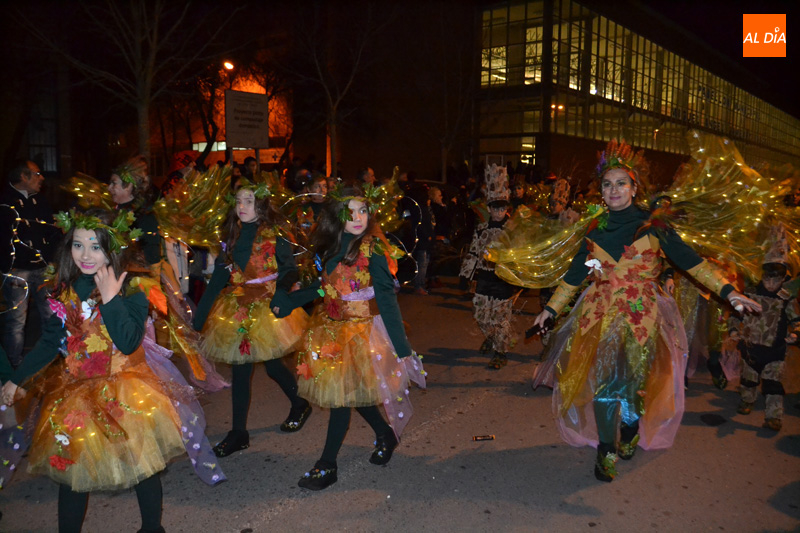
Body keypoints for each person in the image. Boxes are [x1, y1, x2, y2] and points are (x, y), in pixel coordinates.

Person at [530, 140, 761, 482]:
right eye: (607, 184)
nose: (614, 190)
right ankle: (606, 449)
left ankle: (631, 426)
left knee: (633, 386)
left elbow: (690, 262)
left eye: (621, 183)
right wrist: (549, 309)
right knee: (606, 385)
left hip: (641, 317)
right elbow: (576, 275)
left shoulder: (654, 226)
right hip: (600, 316)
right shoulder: (594, 228)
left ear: (634, 187)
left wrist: (730, 293)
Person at [1, 208, 223, 533]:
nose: (86, 255)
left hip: (125, 389)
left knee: (140, 464)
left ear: (112, 248)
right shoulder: (64, 290)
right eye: (78, 245)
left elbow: (129, 340)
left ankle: (152, 528)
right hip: (77, 392)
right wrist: (17, 380)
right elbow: (51, 342)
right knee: (72, 469)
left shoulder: (133, 286)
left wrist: (109, 298)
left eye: (95, 246)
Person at [275, 185, 425, 490]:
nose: (358, 217)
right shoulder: (331, 246)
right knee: (350, 393)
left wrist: (401, 347)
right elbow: (327, 289)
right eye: (350, 211)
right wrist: (291, 300)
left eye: (363, 210)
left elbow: (385, 298)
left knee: (342, 399)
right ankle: (385, 433)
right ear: (337, 215)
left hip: (360, 333)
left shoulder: (374, 249)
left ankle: (327, 464)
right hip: (329, 329)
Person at [193, 180, 311, 457]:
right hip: (239, 305)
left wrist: (282, 293)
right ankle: (238, 433)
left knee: (272, 366)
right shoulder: (231, 235)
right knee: (241, 370)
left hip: (268, 305)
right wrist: (199, 317)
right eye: (238, 201)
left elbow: (289, 270)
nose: (242, 207)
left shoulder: (275, 234)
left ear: (261, 204)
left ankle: (299, 403)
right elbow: (221, 275)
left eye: (248, 201)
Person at [729, 225, 799, 431]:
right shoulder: (750, 293)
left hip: (775, 350)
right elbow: (736, 314)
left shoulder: (786, 299)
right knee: (749, 379)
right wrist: (734, 329)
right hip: (751, 346)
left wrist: (796, 333)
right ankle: (747, 400)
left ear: (783, 278)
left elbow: (797, 320)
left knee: (772, 385)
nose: (770, 283)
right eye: (767, 278)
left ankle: (774, 416)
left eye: (776, 279)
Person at [0, 159, 60, 368]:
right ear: (23, 177)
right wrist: (9, 263)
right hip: (18, 271)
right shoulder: (5, 203)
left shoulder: (40, 201)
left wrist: (52, 261)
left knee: (51, 315)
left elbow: (50, 232)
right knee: (16, 321)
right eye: (36, 174)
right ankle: (14, 367)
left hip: (42, 268)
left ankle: (51, 359)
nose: (41, 177)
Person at [459, 165, 519, 369]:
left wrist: (521, 277)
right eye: (495, 208)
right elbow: (474, 251)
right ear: (489, 208)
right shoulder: (481, 228)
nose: (498, 212)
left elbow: (520, 254)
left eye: (502, 208)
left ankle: (500, 352)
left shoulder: (513, 229)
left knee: (501, 319)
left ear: (507, 209)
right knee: (481, 316)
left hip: (503, 279)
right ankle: (491, 337)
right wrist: (466, 275)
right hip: (484, 278)